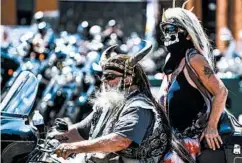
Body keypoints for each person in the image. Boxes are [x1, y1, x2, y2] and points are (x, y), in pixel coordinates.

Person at [50, 41, 171, 162]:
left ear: (128, 79)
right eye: (103, 76)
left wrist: (75, 147)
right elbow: (80, 131)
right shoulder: (110, 104)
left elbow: (120, 141)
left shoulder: (138, 106)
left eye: (110, 77)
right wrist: (51, 137)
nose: (104, 81)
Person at [158, 0, 228, 162]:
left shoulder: (194, 58)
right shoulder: (172, 60)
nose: (167, 35)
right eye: (164, 30)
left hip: (190, 142)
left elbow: (221, 91)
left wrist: (211, 127)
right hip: (171, 139)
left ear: (188, 33)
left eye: (171, 29)